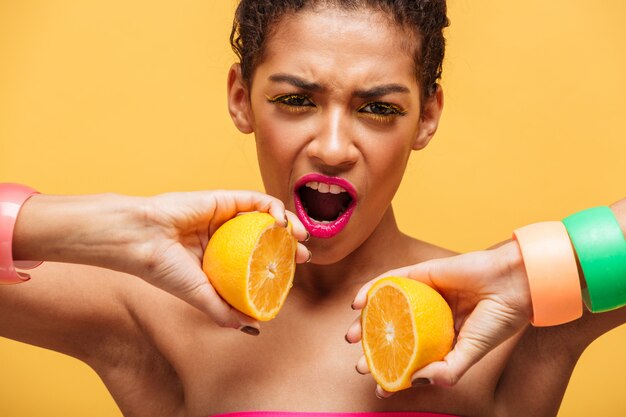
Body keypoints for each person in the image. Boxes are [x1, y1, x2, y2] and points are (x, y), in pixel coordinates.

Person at [1, 1, 625, 417]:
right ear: (242, 98)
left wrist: (534, 270)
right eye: (297, 100)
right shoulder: (155, 316)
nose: (331, 148)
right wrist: (114, 229)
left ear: (427, 117)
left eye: (378, 108)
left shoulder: (509, 315)